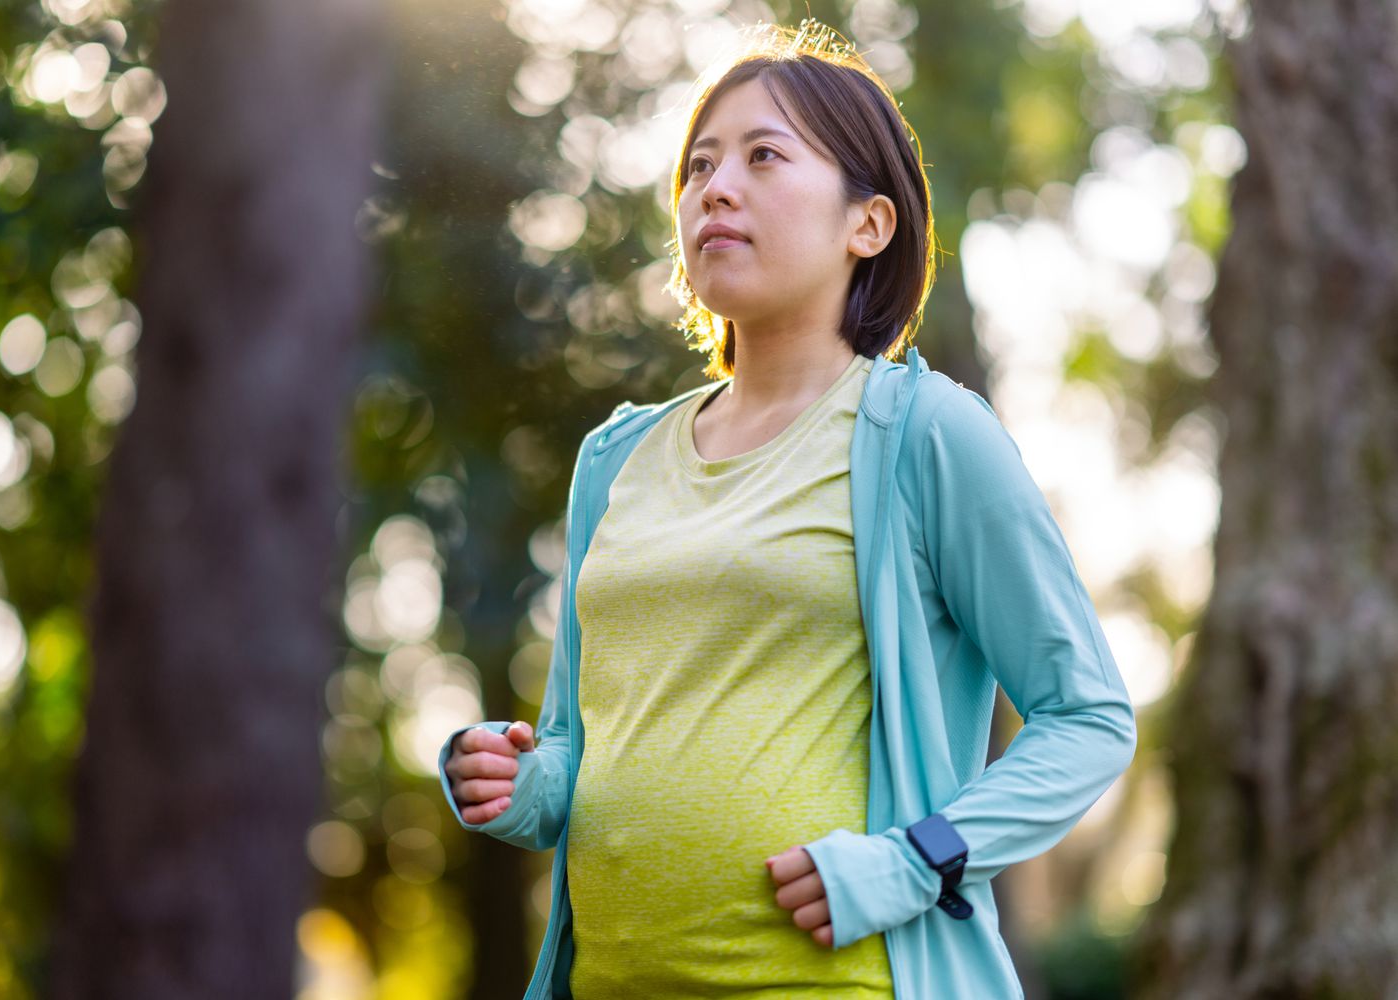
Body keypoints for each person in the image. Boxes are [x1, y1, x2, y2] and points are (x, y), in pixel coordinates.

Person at [439, 18, 1137, 1000]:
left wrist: (914, 859)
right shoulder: (615, 458)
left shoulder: (926, 435)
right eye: (698, 166)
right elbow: (576, 750)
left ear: (869, 224)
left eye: (765, 155)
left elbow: (1088, 717)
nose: (714, 187)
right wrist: (521, 780)